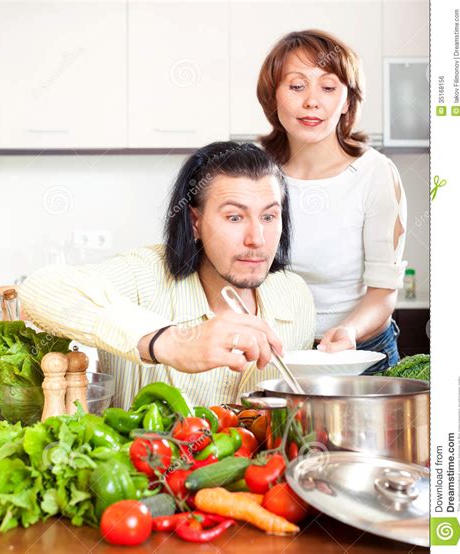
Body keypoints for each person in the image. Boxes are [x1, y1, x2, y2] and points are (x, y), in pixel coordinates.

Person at [20, 142, 315, 408]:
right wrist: (172, 341)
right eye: (234, 217)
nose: (257, 239)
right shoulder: (144, 275)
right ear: (195, 222)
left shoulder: (294, 294)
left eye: (269, 216)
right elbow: (40, 290)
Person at [256, 29, 407, 372]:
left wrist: (349, 331)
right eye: (296, 86)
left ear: (347, 101)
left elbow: (383, 292)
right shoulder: (255, 173)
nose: (312, 101)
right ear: (272, 97)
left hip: (361, 353)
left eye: (328, 88)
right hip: (278, 353)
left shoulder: (375, 174)